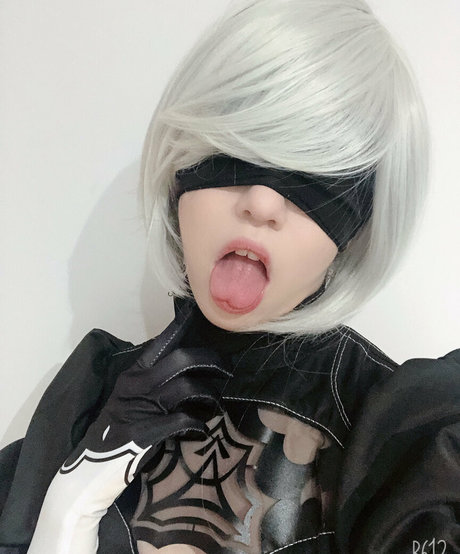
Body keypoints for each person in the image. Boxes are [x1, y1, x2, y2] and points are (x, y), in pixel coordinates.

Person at [0, 0, 459, 553]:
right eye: (235, 151)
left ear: (358, 228)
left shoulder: (399, 435)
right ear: (178, 174)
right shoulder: (93, 400)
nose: (261, 202)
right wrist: (65, 514)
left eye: (317, 178)